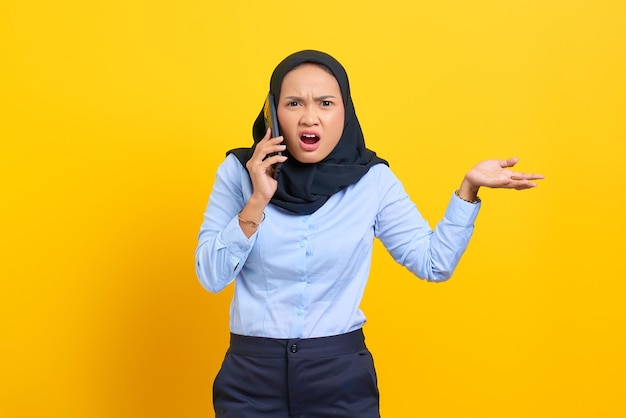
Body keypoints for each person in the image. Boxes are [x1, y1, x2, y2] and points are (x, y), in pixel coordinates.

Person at [195, 50, 543, 418]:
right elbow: (210, 276)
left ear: (345, 111)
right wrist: (256, 201)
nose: (309, 117)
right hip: (251, 379)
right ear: (272, 114)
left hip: (340, 377)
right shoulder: (238, 173)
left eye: (325, 103)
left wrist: (468, 189)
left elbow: (434, 263)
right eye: (293, 103)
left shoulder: (372, 181)